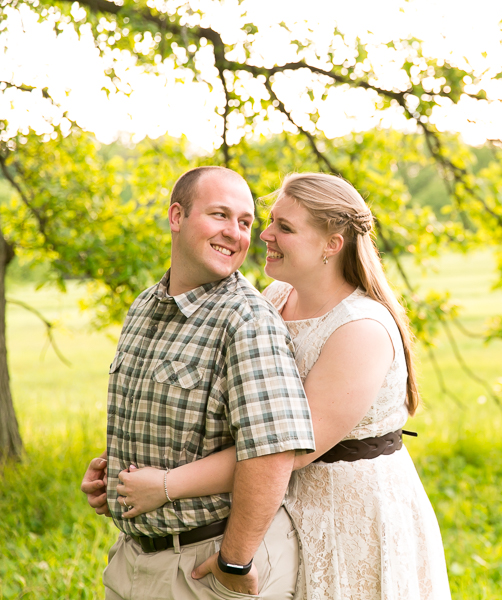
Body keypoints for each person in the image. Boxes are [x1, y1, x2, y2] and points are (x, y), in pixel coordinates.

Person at [111, 172, 452, 599]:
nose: (265, 235)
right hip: (278, 506)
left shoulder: (361, 329)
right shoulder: (275, 297)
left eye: (284, 227)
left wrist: (166, 484)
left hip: (348, 511)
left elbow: (287, 450)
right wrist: (122, 469)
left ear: (331, 245)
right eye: (270, 221)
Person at [80, 166, 315, 599]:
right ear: (176, 216)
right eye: (220, 215)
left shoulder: (247, 321)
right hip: (132, 560)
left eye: (245, 222)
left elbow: (274, 453)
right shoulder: (144, 307)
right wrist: (116, 473)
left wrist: (234, 561)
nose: (235, 233)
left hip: (204, 565)